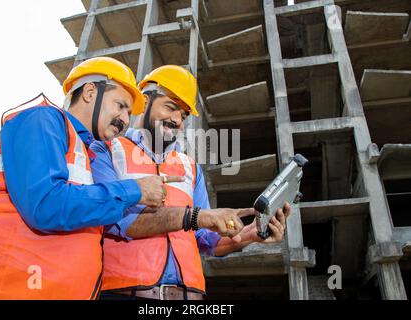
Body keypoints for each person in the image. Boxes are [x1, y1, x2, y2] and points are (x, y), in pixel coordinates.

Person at [0, 57, 183, 300]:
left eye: (129, 113)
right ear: (89, 92)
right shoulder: (43, 119)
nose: (124, 119)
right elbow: (45, 204)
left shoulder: (85, 153)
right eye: (120, 105)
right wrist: (135, 190)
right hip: (11, 290)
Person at [89, 65, 291, 300]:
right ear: (144, 102)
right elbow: (117, 221)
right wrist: (197, 216)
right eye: (171, 107)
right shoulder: (106, 151)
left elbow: (205, 239)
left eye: (184, 115)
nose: (177, 121)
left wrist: (249, 235)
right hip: (125, 293)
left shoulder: (190, 168)